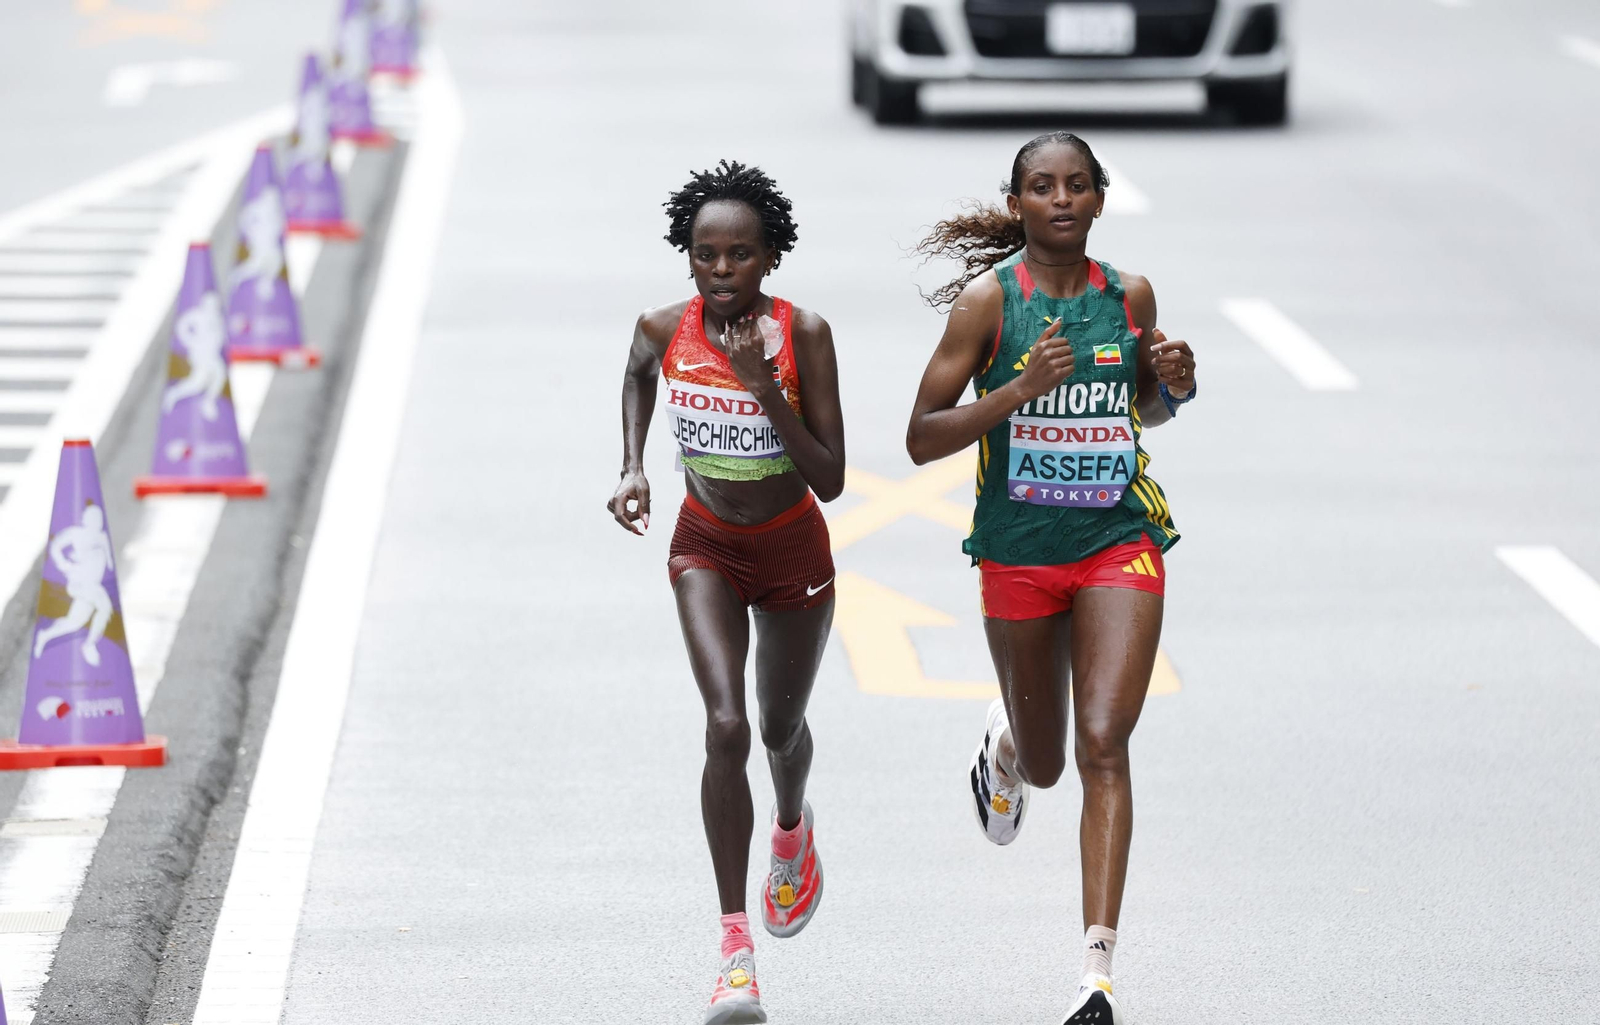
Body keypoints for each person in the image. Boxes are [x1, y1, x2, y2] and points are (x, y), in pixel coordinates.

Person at [905, 131, 1197, 1024]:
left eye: (1077, 185)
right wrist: (1016, 391)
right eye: (1042, 186)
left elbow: (1139, 406)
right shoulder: (990, 305)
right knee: (1046, 760)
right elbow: (921, 435)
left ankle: (1095, 976)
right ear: (1018, 203)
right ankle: (1004, 742)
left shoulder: (1128, 295)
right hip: (1019, 553)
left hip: (1118, 539)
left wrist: (1173, 387)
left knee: (1104, 743)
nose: (1061, 199)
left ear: (1100, 199)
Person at [608, 160, 846, 1025]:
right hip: (705, 543)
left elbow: (832, 477)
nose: (720, 270)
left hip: (792, 552)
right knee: (726, 725)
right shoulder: (662, 326)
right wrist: (633, 464)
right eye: (705, 254)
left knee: (780, 730)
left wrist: (761, 388)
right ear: (688, 256)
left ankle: (791, 828)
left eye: (740, 255)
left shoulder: (804, 333)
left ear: (770, 257)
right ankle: (735, 951)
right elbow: (638, 371)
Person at [33, 503, 116, 667]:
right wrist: (64, 564)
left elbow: (109, 564)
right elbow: (55, 546)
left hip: (93, 584)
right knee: (105, 607)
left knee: (74, 623)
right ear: (85, 519)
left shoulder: (102, 537)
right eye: (92, 517)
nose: (97, 521)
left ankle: (45, 635)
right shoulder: (76, 533)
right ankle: (89, 645)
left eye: (99, 518)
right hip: (81, 582)